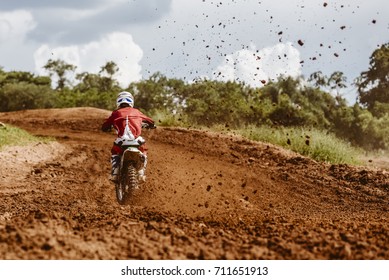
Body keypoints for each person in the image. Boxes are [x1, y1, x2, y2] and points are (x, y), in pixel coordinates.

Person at [101, 91, 155, 182]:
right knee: (144, 150)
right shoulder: (137, 112)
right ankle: (141, 172)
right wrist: (151, 125)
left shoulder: (115, 113)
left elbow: (105, 125)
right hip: (136, 141)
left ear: (118, 102)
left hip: (122, 141)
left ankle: (115, 172)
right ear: (131, 101)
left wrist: (106, 128)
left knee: (115, 151)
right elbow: (150, 121)